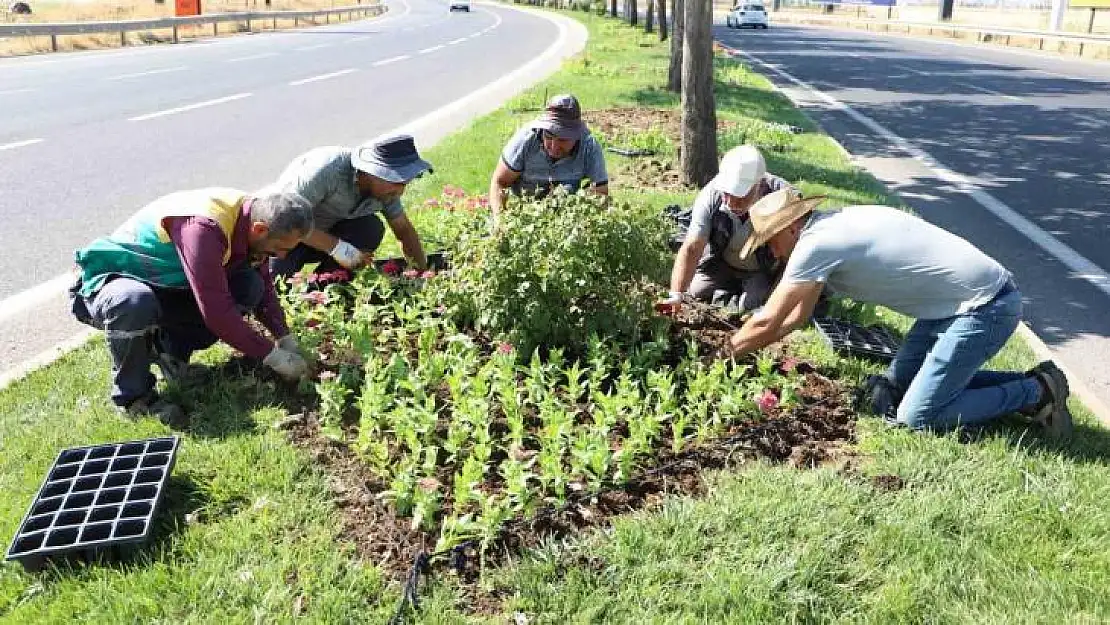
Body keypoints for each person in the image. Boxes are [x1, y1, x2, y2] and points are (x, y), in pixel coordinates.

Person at [725, 189, 1073, 438]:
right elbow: (795, 318)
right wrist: (748, 345)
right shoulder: (832, 225)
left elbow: (771, 318)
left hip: (985, 307)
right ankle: (1029, 381)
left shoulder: (816, 245)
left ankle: (1036, 392)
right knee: (897, 388)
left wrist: (722, 354)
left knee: (916, 417)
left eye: (770, 240)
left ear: (790, 228)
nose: (771, 250)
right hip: (952, 306)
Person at [70, 188, 315, 422]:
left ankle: (171, 355)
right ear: (260, 230)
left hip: (167, 284)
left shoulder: (252, 216)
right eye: (280, 248)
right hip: (114, 280)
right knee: (133, 302)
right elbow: (218, 313)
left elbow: (262, 283)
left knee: (248, 285)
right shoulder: (205, 228)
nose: (282, 257)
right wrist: (270, 355)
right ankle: (135, 399)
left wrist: (284, 335)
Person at [657, 145, 796, 315]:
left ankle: (744, 296)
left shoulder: (784, 199)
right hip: (722, 261)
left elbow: (793, 258)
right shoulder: (711, 196)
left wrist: (772, 304)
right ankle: (729, 291)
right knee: (696, 292)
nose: (731, 202)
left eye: (740, 196)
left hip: (759, 269)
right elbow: (692, 247)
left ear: (759, 185)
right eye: (727, 193)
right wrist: (676, 294)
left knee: (752, 305)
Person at [268, 135, 432, 276]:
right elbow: (283, 220)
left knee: (370, 228)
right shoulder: (326, 171)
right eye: (395, 181)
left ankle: (327, 290)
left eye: (404, 183)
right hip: (284, 232)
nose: (400, 191)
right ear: (370, 172)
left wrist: (421, 272)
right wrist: (340, 249)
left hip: (323, 236)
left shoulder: (386, 192)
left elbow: (403, 230)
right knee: (273, 283)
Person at [489, 93, 609, 215]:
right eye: (549, 137)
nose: (554, 147)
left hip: (567, 214)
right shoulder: (525, 141)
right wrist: (501, 220)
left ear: (577, 135)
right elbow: (500, 182)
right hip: (523, 211)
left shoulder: (589, 147)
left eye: (563, 140)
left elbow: (600, 192)